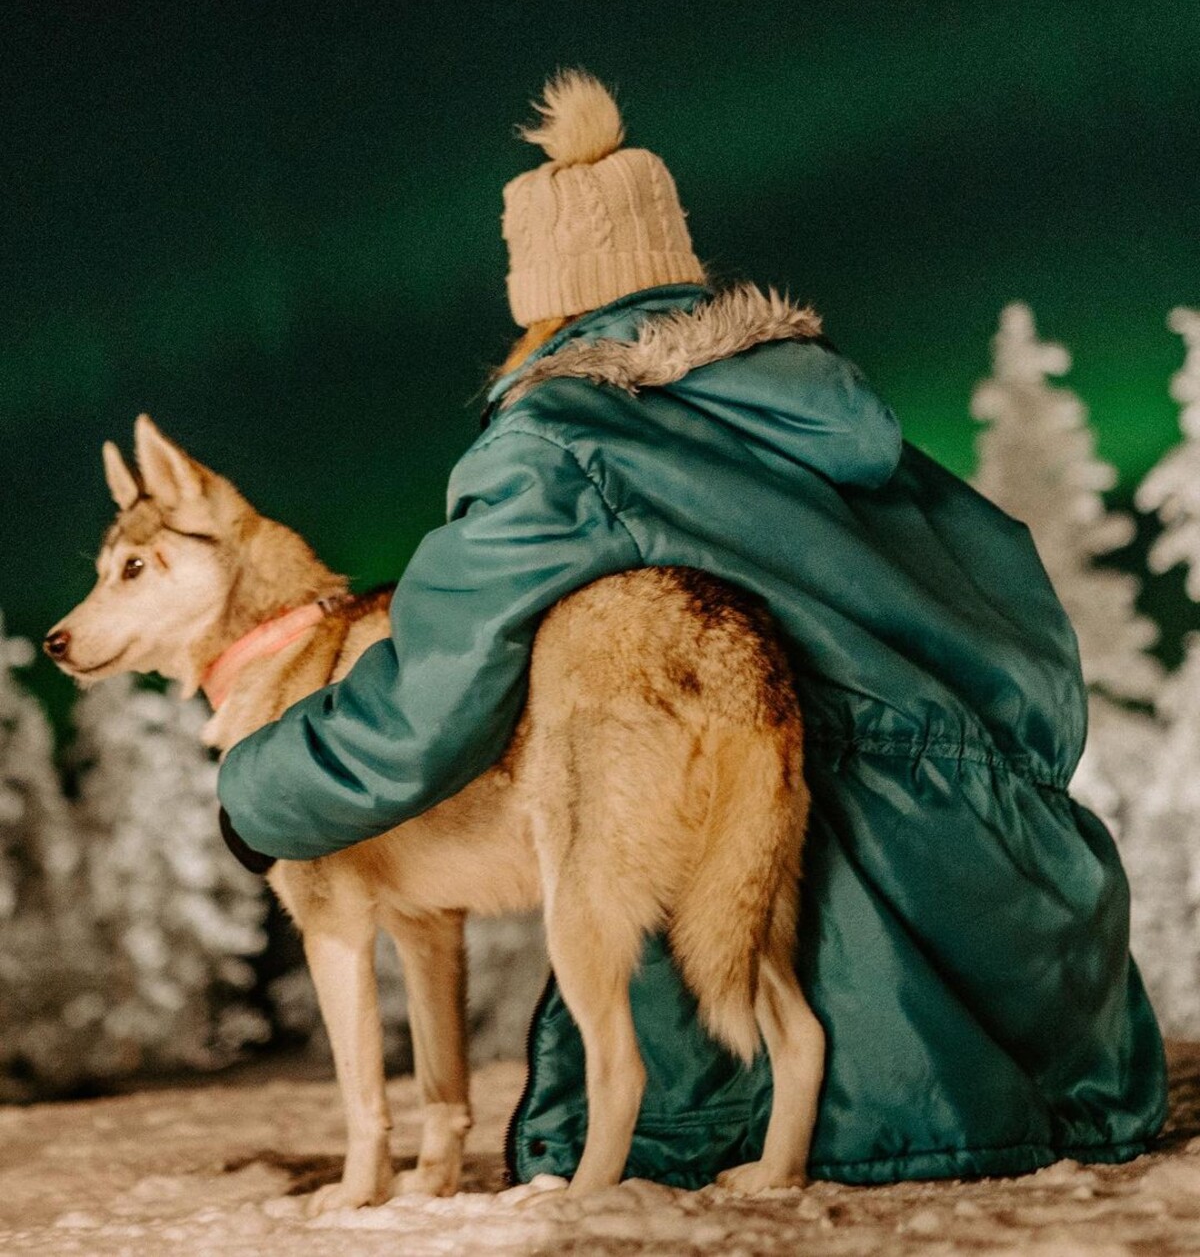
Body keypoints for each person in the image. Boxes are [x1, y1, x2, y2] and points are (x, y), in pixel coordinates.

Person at [217, 70, 1166, 1188]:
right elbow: (1035, 667)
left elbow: (433, 692)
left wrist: (262, 793)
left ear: (543, 293)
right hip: (1042, 942)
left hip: (871, 975)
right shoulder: (844, 423)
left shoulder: (563, 437)